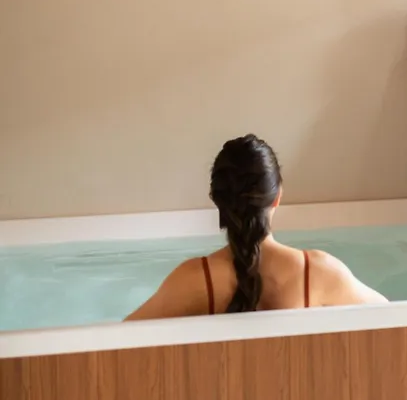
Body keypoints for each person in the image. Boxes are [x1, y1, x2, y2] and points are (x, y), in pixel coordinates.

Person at [125, 134, 387, 320]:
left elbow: (120, 339)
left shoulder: (194, 280)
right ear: (277, 197)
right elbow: (392, 317)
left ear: (218, 201)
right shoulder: (318, 273)